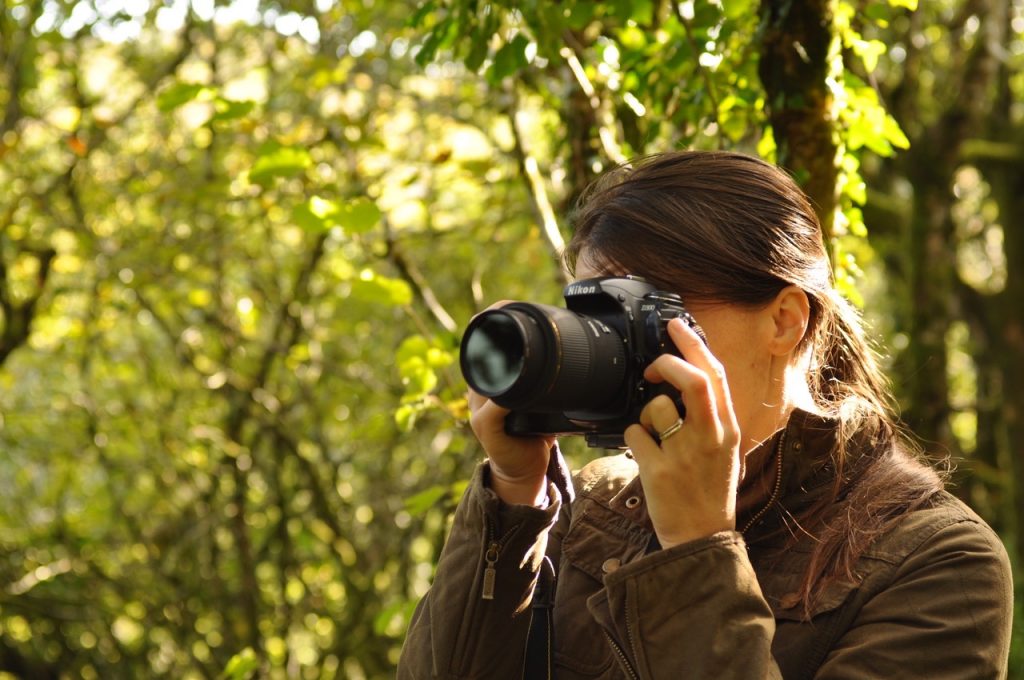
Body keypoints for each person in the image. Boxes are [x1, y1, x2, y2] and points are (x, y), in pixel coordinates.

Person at [397, 150, 1013, 679]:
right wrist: (513, 501)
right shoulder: (590, 507)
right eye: (599, 317)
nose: (620, 347)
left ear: (784, 320)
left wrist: (696, 546)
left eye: (651, 309)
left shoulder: (938, 563)